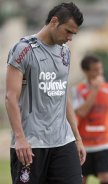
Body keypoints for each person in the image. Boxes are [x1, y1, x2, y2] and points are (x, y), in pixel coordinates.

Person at [5, 2, 86, 184]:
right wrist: (20, 138)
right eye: (68, 31)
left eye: (74, 33)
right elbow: (11, 97)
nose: (70, 37)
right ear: (54, 21)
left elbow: (64, 97)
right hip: (31, 144)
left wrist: (77, 138)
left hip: (63, 142)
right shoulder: (23, 50)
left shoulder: (65, 53)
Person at [72, 55, 108, 184]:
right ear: (86, 71)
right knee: (81, 179)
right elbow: (81, 112)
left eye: (100, 69)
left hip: (104, 143)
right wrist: (95, 90)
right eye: (95, 70)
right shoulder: (77, 90)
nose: (100, 73)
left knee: (105, 178)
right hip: (85, 144)